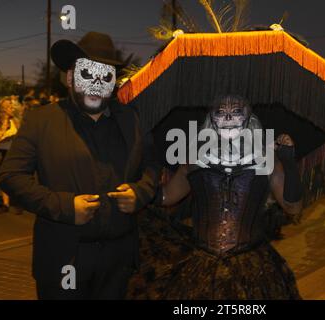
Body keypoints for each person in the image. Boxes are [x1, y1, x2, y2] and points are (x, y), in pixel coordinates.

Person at [0, 31, 158, 300]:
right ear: (70, 77)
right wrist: (64, 206)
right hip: (62, 260)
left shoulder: (133, 121)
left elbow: (152, 164)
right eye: (87, 74)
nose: (96, 83)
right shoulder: (42, 121)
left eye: (105, 76)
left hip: (117, 263)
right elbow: (11, 176)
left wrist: (140, 192)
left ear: (114, 82)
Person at [128, 94, 303, 299]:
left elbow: (293, 208)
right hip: (200, 267)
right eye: (221, 112)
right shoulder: (195, 159)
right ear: (211, 119)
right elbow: (167, 197)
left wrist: (289, 163)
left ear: (249, 118)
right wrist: (140, 185)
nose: (228, 118)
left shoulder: (266, 160)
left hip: (254, 269)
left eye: (237, 112)